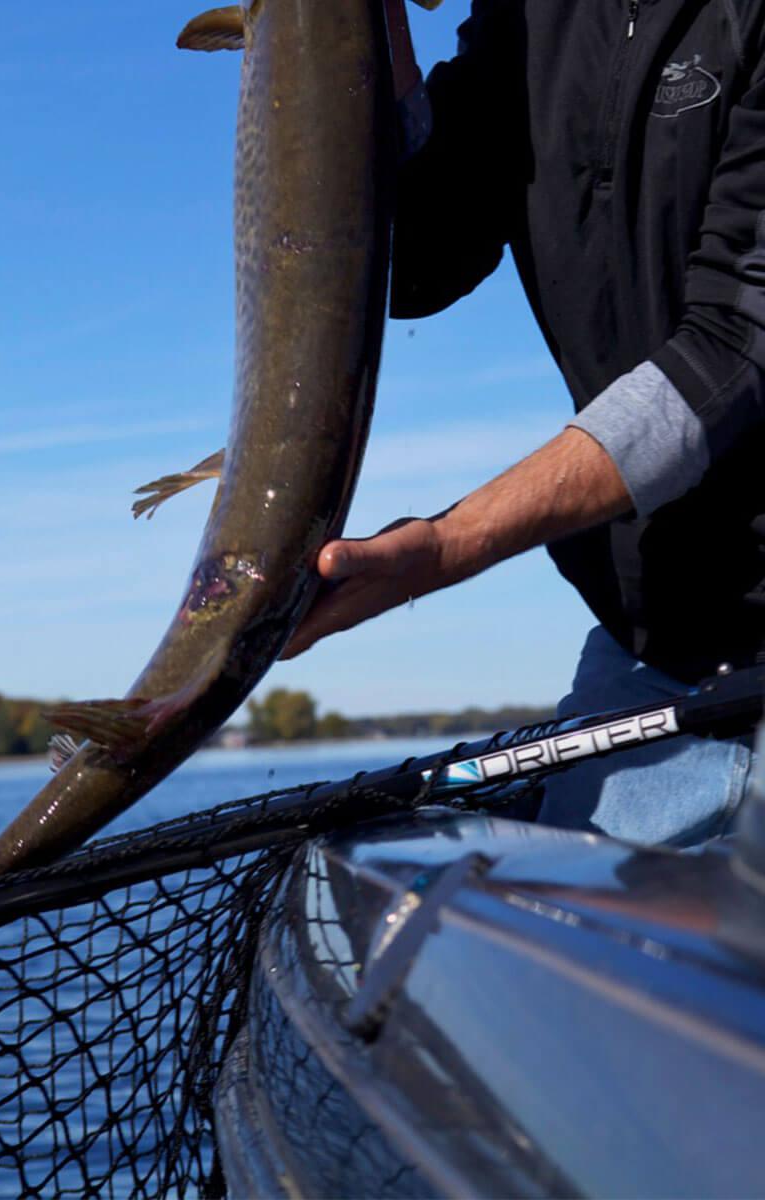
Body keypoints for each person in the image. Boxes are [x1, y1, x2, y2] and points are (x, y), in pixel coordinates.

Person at [283, 0, 764, 846]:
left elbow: (735, 352)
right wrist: (370, 17)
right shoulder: (527, 14)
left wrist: (446, 545)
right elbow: (417, 259)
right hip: (651, 656)